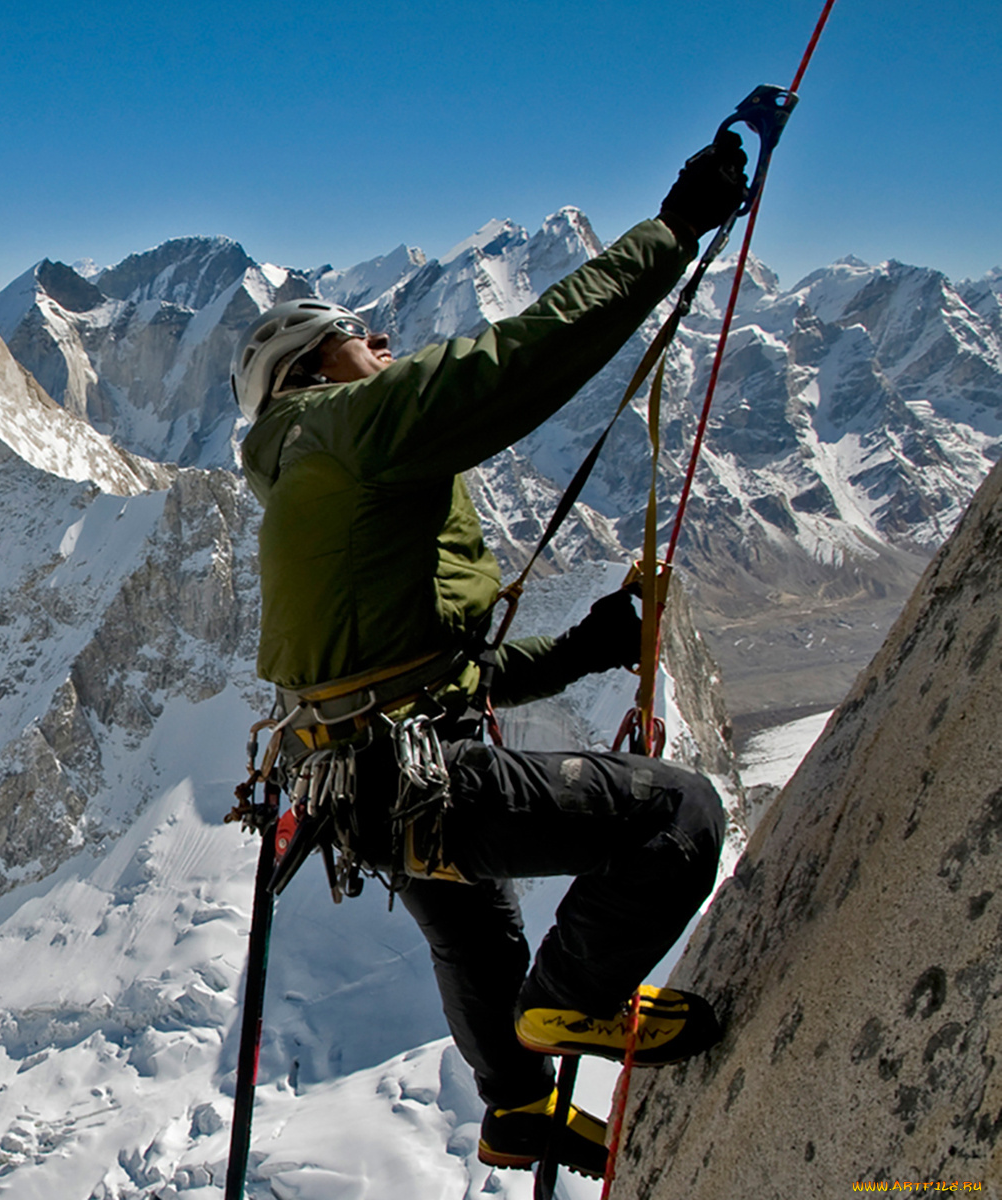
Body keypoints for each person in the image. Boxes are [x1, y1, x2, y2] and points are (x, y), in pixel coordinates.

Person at [230, 132, 750, 1179]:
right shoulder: (341, 427)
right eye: (360, 335)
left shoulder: (310, 478)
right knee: (679, 817)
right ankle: (573, 1007)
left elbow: (438, 677)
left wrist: (587, 648)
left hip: (364, 780)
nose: (383, 342)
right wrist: (671, 236)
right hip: (413, 773)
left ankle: (514, 1110)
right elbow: (506, 369)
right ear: (307, 368)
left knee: (472, 931)